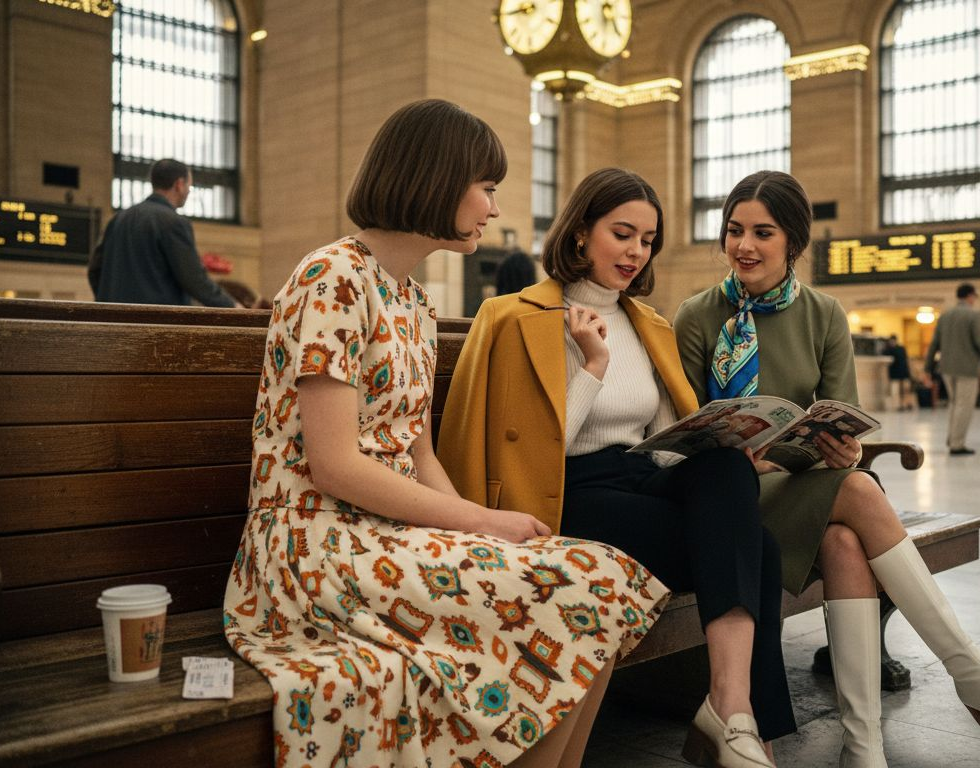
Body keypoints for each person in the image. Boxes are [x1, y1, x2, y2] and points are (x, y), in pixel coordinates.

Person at [222, 101, 668, 768]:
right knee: (586, 586)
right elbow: (335, 466)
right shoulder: (332, 278)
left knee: (605, 586)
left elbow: (417, 449)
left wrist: (478, 533)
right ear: (437, 179)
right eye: (485, 187)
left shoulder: (412, 300)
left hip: (387, 534)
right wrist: (479, 520)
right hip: (314, 542)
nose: (493, 207)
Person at [674, 170, 980, 768]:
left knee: (846, 537)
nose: (743, 245)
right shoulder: (697, 316)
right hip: (728, 502)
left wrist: (842, 450)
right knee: (856, 493)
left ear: (793, 241)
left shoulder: (824, 314)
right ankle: (970, 674)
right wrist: (741, 453)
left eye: (762, 233)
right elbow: (682, 432)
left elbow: (842, 419)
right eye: (734, 230)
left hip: (799, 487)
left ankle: (865, 745)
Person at [440, 167, 793, 768]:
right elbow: (538, 446)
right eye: (622, 234)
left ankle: (730, 705)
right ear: (581, 232)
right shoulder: (510, 315)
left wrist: (730, 447)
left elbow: (662, 444)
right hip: (564, 491)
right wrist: (593, 365)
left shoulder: (648, 323)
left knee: (725, 469)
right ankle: (740, 726)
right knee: (758, 550)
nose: (635, 252)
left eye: (647, 241)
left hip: (636, 476)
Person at [89, 158, 239, 307]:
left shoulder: (117, 219)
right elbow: (194, 279)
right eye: (189, 186)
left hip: (112, 316)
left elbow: (95, 270)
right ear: (179, 184)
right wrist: (232, 307)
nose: (188, 191)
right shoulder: (174, 223)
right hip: (155, 318)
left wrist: (107, 301)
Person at [923, 283, 980, 455]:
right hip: (968, 368)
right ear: (970, 296)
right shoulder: (973, 315)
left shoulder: (945, 315)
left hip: (946, 368)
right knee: (964, 406)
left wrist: (927, 368)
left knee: (954, 404)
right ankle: (957, 444)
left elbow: (934, 344)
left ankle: (952, 438)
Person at [884, 335, 915, 411]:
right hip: (895, 372)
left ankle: (907, 404)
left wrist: (910, 370)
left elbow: (906, 359)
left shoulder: (900, 348)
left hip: (903, 371)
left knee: (906, 389)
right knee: (897, 390)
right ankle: (899, 405)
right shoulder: (888, 349)